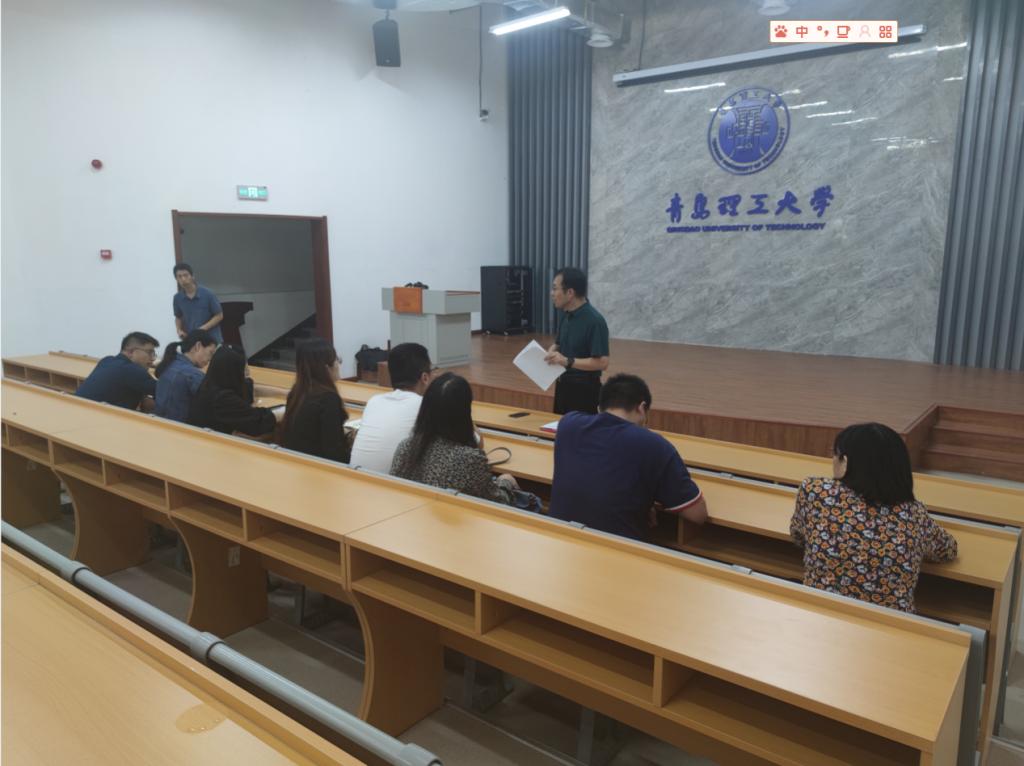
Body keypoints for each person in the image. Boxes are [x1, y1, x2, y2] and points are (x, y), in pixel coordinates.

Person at [790, 422, 958, 614]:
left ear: (845, 462)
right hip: (890, 627)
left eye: (834, 454)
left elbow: (798, 536)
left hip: (820, 616)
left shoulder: (816, 492)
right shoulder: (915, 514)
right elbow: (947, 551)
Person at [549, 373, 706, 540]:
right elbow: (697, 514)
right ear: (641, 408)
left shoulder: (568, 424)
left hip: (559, 540)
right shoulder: (654, 445)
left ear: (600, 408)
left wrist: (643, 501)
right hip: (616, 548)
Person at [391, 373, 518, 505]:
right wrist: (506, 482)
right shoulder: (469, 459)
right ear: (464, 412)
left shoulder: (405, 447)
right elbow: (499, 503)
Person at [350, 342, 433, 473]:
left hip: (355, 477)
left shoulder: (374, 401)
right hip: (392, 483)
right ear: (425, 378)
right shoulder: (424, 405)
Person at [544, 267, 610, 415]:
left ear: (570, 293)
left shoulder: (595, 321)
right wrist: (552, 350)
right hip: (562, 386)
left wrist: (567, 361)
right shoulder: (566, 315)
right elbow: (558, 344)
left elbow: (602, 363)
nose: (551, 293)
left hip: (584, 391)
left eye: (555, 288)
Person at [281, 339, 350, 463]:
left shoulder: (297, 392)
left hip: (297, 462)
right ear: (327, 368)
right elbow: (334, 451)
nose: (338, 364)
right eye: (337, 360)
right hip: (319, 466)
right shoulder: (328, 398)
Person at [187, 346, 279, 437]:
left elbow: (251, 388)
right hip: (213, 442)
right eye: (243, 368)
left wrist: (285, 393)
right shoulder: (221, 398)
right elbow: (257, 423)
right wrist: (284, 410)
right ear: (233, 370)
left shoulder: (215, 381)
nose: (247, 372)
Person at [75, 332, 160, 412]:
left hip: (76, 410)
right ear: (131, 352)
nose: (152, 358)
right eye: (149, 352)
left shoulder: (107, 361)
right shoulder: (132, 370)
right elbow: (164, 391)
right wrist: (163, 368)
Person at [154, 330, 217, 422]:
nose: (210, 358)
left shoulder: (168, 365)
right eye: (210, 353)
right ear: (198, 346)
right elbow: (212, 403)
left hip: (158, 422)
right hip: (179, 426)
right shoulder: (193, 374)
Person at [173, 262, 223, 343]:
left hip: (212, 339)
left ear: (192, 276)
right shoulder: (177, 298)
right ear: (176, 279)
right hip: (193, 340)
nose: (183, 279)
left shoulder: (208, 294)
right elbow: (178, 317)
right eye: (179, 276)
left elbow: (219, 315)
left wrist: (202, 329)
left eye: (185, 275)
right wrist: (179, 330)